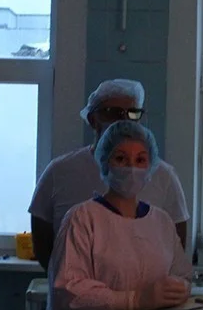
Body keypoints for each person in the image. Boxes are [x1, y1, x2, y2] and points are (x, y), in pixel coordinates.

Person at [47, 121, 193, 310]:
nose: (131, 168)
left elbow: (181, 274)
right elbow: (69, 289)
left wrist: (179, 289)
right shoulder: (83, 218)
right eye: (121, 158)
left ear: (151, 166)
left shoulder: (161, 222)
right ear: (105, 163)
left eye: (140, 160)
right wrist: (134, 299)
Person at [30, 79, 189, 271]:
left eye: (132, 113)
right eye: (113, 112)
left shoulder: (164, 176)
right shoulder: (60, 172)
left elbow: (177, 243)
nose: (124, 120)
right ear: (92, 119)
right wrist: (67, 279)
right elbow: (43, 243)